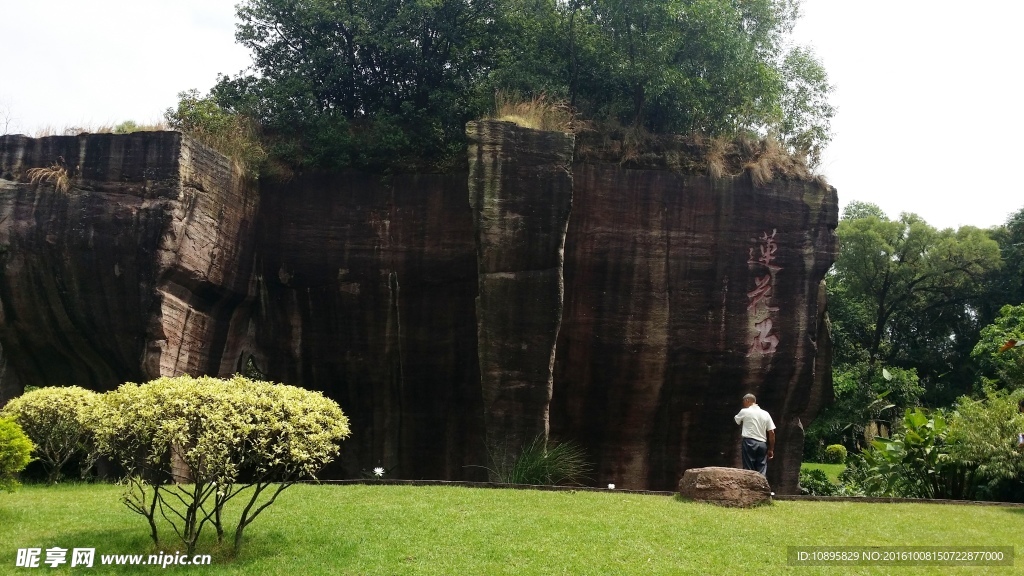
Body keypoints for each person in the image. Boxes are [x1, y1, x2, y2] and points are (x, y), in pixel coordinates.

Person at [734, 393, 776, 476]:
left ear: (747, 400)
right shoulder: (766, 413)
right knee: (762, 469)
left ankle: (750, 487)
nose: (743, 404)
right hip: (762, 444)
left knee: (749, 469)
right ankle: (761, 487)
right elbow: (772, 433)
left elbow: (737, 420)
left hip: (749, 442)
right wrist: (771, 449)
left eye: (743, 402)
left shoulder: (745, 411)